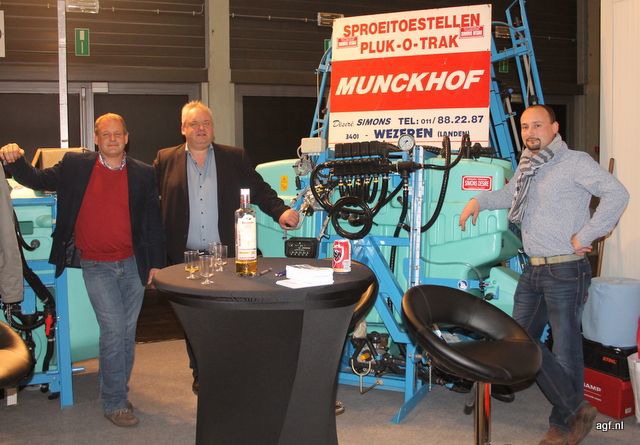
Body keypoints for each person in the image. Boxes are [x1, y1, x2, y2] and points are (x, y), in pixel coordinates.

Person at [459, 104, 629, 445]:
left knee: (566, 349)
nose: (530, 132)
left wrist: (588, 233)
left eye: (537, 125)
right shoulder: (528, 165)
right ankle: (577, 409)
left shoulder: (575, 162)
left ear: (555, 127)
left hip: (566, 268)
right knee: (518, 340)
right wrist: (479, 201)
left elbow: (617, 194)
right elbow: (511, 194)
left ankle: (564, 424)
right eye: (524, 126)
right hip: (534, 268)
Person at [0, 113, 166, 427]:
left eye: (118, 133)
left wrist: (156, 263)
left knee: (126, 332)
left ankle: (115, 390)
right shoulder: (76, 165)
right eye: (106, 134)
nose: (112, 139)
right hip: (97, 265)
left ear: (126, 138)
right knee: (113, 329)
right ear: (96, 138)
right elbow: (37, 179)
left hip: (133, 264)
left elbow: (152, 221)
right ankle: (115, 402)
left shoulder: (144, 173)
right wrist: (15, 159)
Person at [154, 100, 299, 394]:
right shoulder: (165, 159)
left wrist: (281, 211)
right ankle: (201, 372)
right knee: (193, 319)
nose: (201, 128)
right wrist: (153, 257)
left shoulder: (234, 157)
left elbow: (260, 189)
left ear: (213, 128)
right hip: (186, 258)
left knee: (230, 316)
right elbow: (148, 206)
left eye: (206, 123)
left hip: (226, 256)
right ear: (183, 129)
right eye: (194, 124)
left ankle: (230, 369)